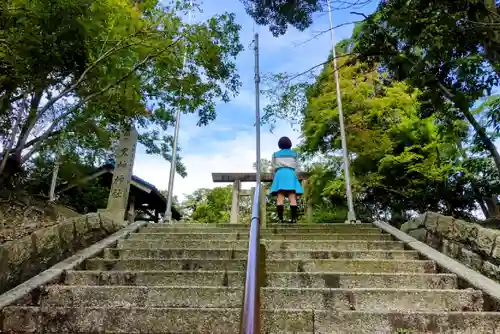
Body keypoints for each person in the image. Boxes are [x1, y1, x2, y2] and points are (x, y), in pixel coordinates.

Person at [269, 136, 304, 223]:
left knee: (280, 197)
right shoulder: (294, 154)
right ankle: (293, 219)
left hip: (280, 174)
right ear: (290, 144)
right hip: (290, 174)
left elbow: (273, 167)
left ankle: (281, 219)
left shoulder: (275, 154)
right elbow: (298, 167)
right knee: (292, 197)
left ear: (279, 145)